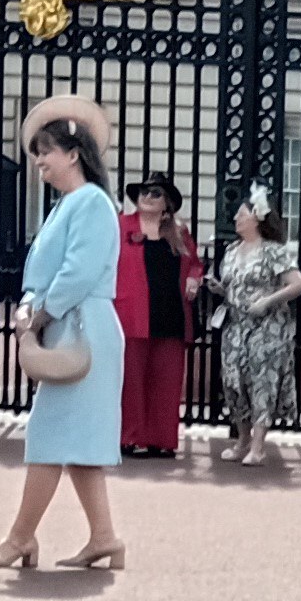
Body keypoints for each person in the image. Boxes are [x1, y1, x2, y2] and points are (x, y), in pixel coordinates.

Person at [0, 99, 125, 572]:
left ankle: (20, 538)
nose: (38, 160)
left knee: (49, 435)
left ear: (74, 154)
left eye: (47, 152)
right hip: (70, 323)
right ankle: (105, 537)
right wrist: (29, 308)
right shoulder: (73, 204)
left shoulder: (91, 203)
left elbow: (77, 273)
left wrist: (36, 316)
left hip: (81, 325)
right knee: (76, 442)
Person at [205, 190, 301, 466]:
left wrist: (268, 301)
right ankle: (242, 439)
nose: (237, 218)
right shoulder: (231, 251)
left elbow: (299, 283)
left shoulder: (274, 251)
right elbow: (233, 287)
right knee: (234, 381)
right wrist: (220, 289)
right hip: (236, 325)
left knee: (262, 381)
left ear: (257, 218)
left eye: (242, 214)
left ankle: (258, 446)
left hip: (267, 327)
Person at [115, 174, 202, 459]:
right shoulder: (121, 226)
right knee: (133, 379)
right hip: (133, 312)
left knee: (168, 379)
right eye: (143, 192)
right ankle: (133, 436)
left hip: (171, 313)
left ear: (167, 203)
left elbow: (195, 264)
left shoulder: (178, 231)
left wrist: (193, 278)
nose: (146, 197)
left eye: (154, 193)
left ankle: (163, 438)